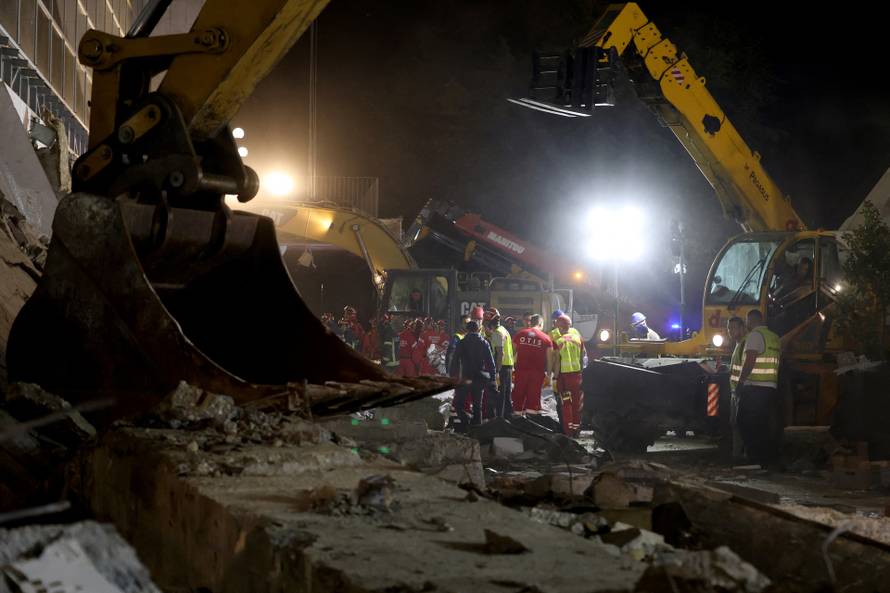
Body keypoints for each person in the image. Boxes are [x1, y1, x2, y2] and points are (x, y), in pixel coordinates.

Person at [735, 309, 782, 466]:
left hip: (754, 387)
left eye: (747, 321)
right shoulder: (774, 338)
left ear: (750, 320)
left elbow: (750, 361)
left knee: (744, 422)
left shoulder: (755, 336)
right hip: (770, 387)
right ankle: (765, 459)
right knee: (762, 425)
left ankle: (753, 457)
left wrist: (740, 382)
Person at [449, 320, 496, 431]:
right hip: (480, 378)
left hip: (465, 377)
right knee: (477, 406)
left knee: (458, 404)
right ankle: (477, 430)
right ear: (478, 329)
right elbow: (490, 362)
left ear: (467, 330)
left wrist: (452, 375)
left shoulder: (462, 342)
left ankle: (466, 422)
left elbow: (455, 360)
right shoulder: (484, 342)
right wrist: (493, 378)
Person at [511, 314, 553, 415]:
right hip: (537, 374)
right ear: (541, 324)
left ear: (531, 322)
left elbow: (511, 353)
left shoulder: (520, 334)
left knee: (518, 395)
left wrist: (511, 368)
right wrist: (549, 375)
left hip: (520, 372)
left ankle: (517, 420)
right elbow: (550, 360)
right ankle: (531, 423)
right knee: (533, 398)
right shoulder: (546, 339)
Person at [552, 314, 586, 435]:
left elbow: (557, 363)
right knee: (577, 404)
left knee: (566, 404)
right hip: (577, 377)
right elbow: (582, 359)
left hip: (564, 378)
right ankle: (576, 430)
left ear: (560, 327)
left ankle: (568, 431)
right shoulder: (579, 339)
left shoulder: (558, 341)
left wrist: (555, 378)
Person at [484, 307, 515, 418]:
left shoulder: (497, 333)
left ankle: (499, 420)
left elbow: (500, 353)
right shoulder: (503, 330)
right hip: (508, 367)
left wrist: (497, 371)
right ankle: (508, 418)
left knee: (499, 397)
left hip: (501, 368)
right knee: (506, 396)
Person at [726, 316, 747, 459]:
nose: (730, 331)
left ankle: (740, 455)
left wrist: (739, 387)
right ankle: (737, 454)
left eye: (734, 327)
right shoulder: (738, 345)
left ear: (742, 328)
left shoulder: (744, 344)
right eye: (729, 328)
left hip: (741, 392)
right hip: (736, 391)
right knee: (736, 423)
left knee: (740, 423)